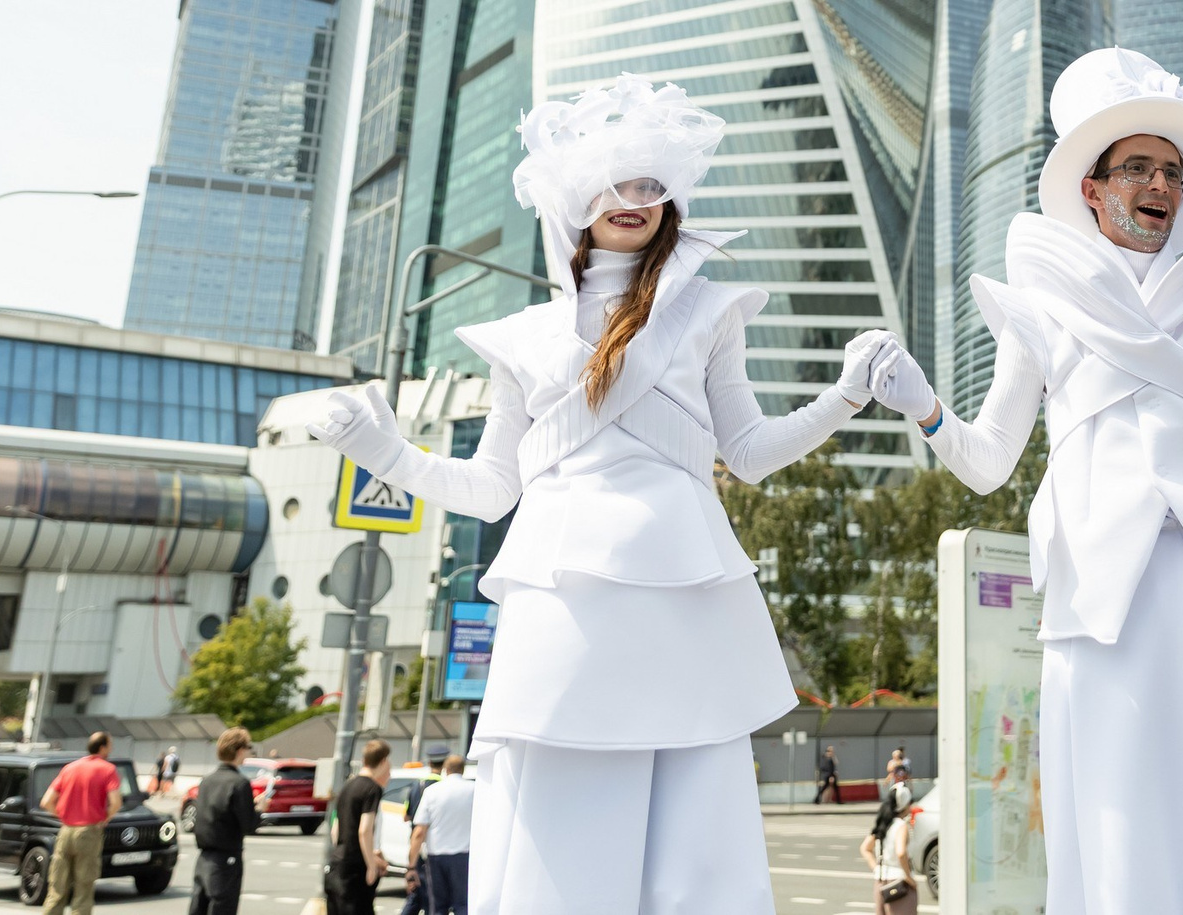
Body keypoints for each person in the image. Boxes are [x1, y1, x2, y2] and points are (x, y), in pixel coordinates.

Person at [308, 74, 903, 914]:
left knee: (697, 839)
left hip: (685, 589)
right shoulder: (522, 337)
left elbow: (750, 452)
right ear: (573, 199)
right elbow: (488, 489)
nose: (632, 198)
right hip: (564, 598)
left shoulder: (710, 309)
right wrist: (384, 450)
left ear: (672, 199)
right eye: (613, 182)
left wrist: (843, 396)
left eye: (650, 183)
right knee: (560, 832)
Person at [862, 48, 1183, 915]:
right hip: (1106, 599)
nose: (1162, 184)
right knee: (1125, 837)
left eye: (1174, 171)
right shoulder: (1043, 303)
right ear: (1092, 186)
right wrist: (924, 406)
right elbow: (989, 458)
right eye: (1140, 168)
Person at [37, 731, 122, 915]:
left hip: (66, 830)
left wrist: (63, 815)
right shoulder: (107, 769)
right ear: (102, 747)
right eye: (110, 745)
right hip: (88, 831)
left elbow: (46, 801)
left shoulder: (70, 768)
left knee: (58, 886)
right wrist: (104, 817)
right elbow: (116, 802)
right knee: (83, 888)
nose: (111, 748)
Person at [186, 726, 259, 915]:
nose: (249, 752)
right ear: (239, 749)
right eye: (248, 747)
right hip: (227, 857)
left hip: (204, 857)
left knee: (199, 907)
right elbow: (248, 824)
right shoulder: (239, 783)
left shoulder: (207, 780)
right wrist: (259, 810)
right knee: (222, 907)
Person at [327, 740, 391, 915]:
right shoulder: (372, 789)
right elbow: (365, 829)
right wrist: (371, 864)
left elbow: (335, 829)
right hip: (357, 867)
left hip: (338, 862)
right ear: (384, 761)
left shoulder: (347, 786)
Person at [412, 754, 476, 915]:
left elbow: (419, 831)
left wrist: (412, 863)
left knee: (438, 906)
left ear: (445, 770)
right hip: (464, 855)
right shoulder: (474, 790)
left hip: (437, 857)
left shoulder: (431, 791)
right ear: (463, 770)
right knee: (463, 904)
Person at [862, 766, 915, 878]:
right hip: (899, 882)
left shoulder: (884, 824)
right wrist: (909, 878)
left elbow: (865, 848)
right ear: (905, 805)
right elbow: (901, 853)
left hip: (881, 880)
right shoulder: (901, 826)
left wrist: (877, 869)